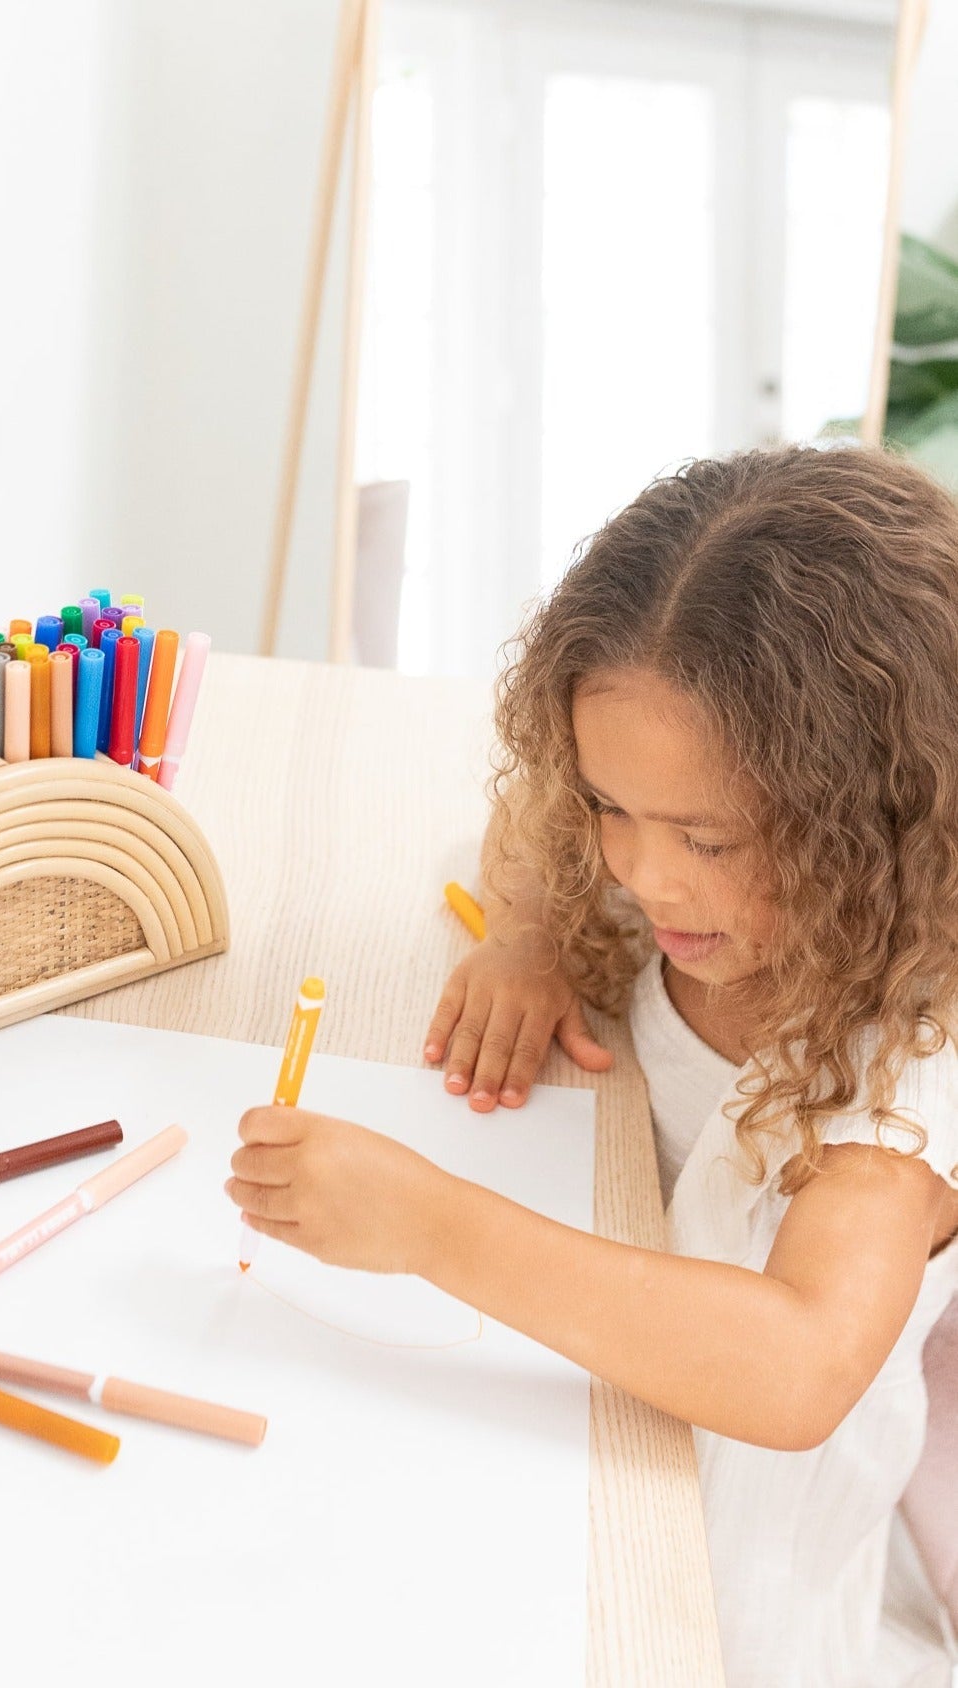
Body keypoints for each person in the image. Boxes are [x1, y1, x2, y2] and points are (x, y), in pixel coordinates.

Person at [227, 446, 958, 1686]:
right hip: (563, 1434)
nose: (642, 872)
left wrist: (425, 1222)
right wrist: (527, 932)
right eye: (612, 804)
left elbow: (795, 1367)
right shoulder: (665, 870)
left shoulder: (906, 1046)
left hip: (725, 1587)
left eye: (708, 837)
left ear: (876, 824)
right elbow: (529, 820)